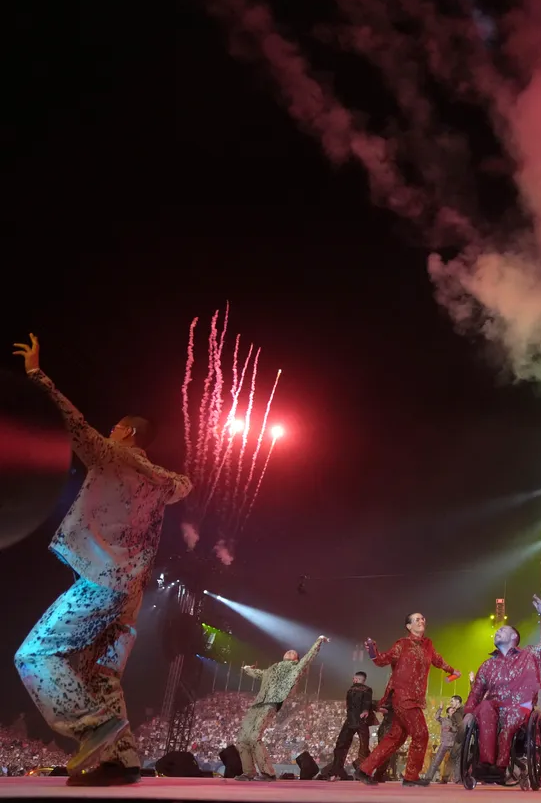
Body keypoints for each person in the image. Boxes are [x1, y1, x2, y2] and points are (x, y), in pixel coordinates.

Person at [12, 335, 193, 787]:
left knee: (35, 654)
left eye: (115, 427)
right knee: (101, 673)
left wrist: (37, 375)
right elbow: (183, 486)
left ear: (127, 433)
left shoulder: (113, 456)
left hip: (101, 581)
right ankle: (123, 761)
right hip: (130, 591)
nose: (109, 431)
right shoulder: (163, 481)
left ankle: (91, 724)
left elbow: (74, 424)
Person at [462, 595, 541, 783]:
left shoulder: (530, 655)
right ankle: (486, 764)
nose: (497, 632)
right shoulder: (488, 665)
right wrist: (468, 712)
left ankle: (500, 766)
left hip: (521, 705)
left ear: (514, 637)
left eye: (502, 629)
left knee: (509, 722)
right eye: (497, 631)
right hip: (495, 706)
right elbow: (476, 693)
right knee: (483, 707)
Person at [356, 613, 461, 787]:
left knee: (395, 737)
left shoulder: (428, 645)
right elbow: (383, 659)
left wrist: (452, 671)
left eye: (423, 619)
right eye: (417, 619)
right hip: (403, 697)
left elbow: (437, 660)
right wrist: (373, 652)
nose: (422, 621)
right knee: (421, 734)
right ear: (408, 626)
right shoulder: (402, 644)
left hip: (416, 698)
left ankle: (364, 769)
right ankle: (411, 776)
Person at [236, 637, 329, 781]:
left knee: (254, 736)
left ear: (296, 659)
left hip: (272, 702)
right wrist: (247, 669)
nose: (290, 651)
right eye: (289, 651)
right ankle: (248, 772)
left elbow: (308, 658)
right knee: (242, 738)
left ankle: (268, 773)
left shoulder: (295, 668)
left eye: (294, 652)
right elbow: (260, 673)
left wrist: (318, 642)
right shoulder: (273, 668)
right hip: (258, 702)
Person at [323, 671, 375, 779]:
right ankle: (363, 771)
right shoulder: (363, 689)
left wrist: (366, 710)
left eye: (354, 679)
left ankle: (335, 772)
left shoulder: (353, 690)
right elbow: (367, 702)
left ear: (356, 679)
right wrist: (366, 710)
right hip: (359, 721)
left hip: (353, 721)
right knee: (363, 747)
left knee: (342, 746)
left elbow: (367, 702)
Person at [423, 695, 463, 785]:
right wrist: (440, 708)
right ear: (448, 712)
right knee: (436, 760)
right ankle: (428, 778)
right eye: (451, 710)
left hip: (454, 743)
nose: (453, 711)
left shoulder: (456, 719)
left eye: (453, 710)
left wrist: (452, 729)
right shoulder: (444, 720)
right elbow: (437, 717)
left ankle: (457, 779)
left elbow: (458, 728)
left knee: (456, 762)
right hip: (444, 743)